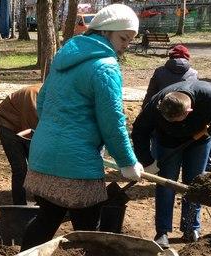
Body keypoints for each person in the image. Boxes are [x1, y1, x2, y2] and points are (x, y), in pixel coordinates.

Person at [20, 4, 144, 251]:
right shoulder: (105, 66)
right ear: (104, 32)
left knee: (47, 219)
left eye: (130, 40)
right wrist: (127, 162)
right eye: (123, 38)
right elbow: (112, 122)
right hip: (77, 166)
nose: (126, 45)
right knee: (89, 232)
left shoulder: (65, 56)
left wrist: (56, 132)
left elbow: (42, 102)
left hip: (43, 156)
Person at [132, 80, 211, 249]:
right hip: (167, 143)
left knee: (195, 184)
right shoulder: (156, 104)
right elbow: (139, 130)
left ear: (189, 111)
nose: (173, 122)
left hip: (199, 141)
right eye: (169, 120)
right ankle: (162, 231)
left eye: (176, 120)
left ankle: (191, 228)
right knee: (165, 185)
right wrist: (147, 161)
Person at [0, 84, 42, 205]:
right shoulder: (33, 96)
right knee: (20, 168)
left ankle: (42, 204)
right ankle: (19, 206)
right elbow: (32, 132)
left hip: (27, 125)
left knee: (38, 167)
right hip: (7, 123)